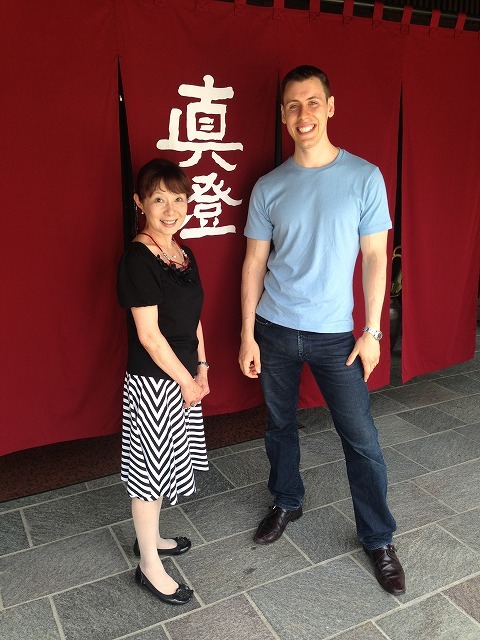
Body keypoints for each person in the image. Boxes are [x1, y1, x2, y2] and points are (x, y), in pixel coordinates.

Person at [239, 65, 405, 596]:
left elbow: (376, 256)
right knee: (279, 426)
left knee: (361, 440)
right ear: (283, 115)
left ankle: (378, 537)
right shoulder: (269, 186)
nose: (303, 114)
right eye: (293, 105)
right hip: (275, 328)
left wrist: (373, 331)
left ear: (330, 107)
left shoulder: (364, 177)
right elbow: (254, 263)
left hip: (337, 337)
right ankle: (287, 500)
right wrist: (247, 334)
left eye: (312, 102)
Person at [117, 158, 210, 605]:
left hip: (182, 376)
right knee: (148, 477)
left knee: (163, 469)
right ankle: (149, 567)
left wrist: (203, 368)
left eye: (178, 198)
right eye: (158, 199)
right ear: (140, 203)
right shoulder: (139, 258)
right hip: (154, 382)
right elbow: (150, 336)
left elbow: (194, 319)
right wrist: (185, 381)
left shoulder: (182, 253)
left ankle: (150, 539)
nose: (170, 209)